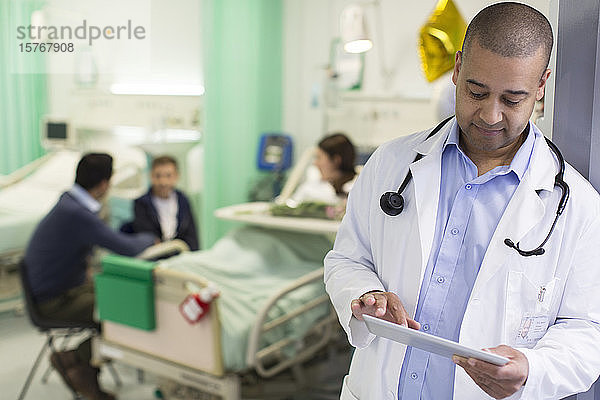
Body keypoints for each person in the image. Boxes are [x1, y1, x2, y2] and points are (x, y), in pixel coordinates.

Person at [324, 3, 600, 400]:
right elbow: (347, 259)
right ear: (456, 69)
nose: (490, 115)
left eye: (513, 99)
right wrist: (364, 295)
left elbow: (587, 331)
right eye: (476, 92)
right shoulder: (392, 163)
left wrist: (531, 370)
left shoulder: (577, 207)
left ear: (542, 85)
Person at [24, 153, 155, 400]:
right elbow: (125, 247)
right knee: (125, 309)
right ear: (105, 184)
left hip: (54, 291)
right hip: (53, 302)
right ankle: (75, 360)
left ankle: (80, 364)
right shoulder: (77, 214)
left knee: (117, 295)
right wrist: (152, 238)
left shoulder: (68, 202)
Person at [127, 155, 199, 250]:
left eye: (168, 176)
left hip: (181, 253)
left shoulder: (183, 200)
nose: (163, 182)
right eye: (158, 176)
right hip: (156, 255)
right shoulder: (141, 203)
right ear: (151, 176)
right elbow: (146, 237)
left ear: (177, 176)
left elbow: (192, 235)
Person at [290, 133, 357, 205]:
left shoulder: (353, 189)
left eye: (319, 158)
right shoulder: (310, 186)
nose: (315, 163)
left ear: (336, 160)